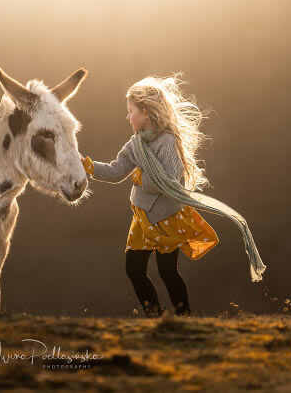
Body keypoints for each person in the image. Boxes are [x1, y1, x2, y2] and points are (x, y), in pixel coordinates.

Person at [81, 75, 218, 317]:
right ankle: (155, 315)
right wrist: (89, 167)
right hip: (142, 219)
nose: (127, 116)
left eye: (130, 111)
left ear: (145, 113)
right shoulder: (134, 145)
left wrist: (139, 179)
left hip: (167, 218)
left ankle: (184, 317)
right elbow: (116, 170)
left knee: (167, 271)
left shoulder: (168, 142)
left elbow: (171, 180)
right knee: (134, 269)